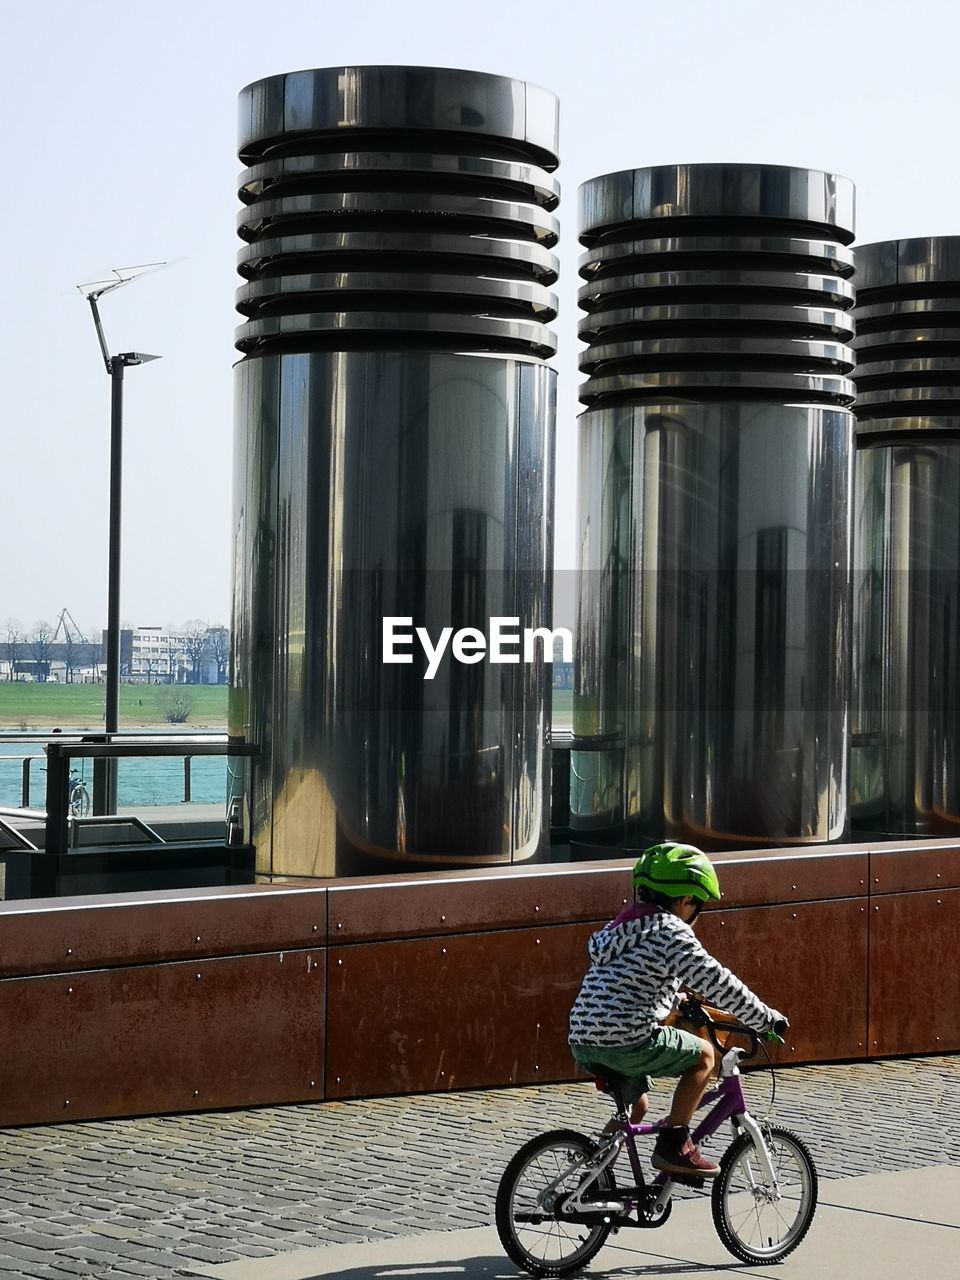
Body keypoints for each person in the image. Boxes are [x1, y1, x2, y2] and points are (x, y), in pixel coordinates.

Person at [568, 842, 787, 1178]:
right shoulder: (671, 932)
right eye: (698, 903)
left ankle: (591, 1175)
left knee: (637, 1106)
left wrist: (677, 1000)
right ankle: (675, 1145)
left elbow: (630, 982)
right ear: (686, 900)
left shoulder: (622, 929)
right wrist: (764, 1017)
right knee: (704, 1057)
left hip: (583, 1038)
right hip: (627, 1039)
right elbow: (719, 982)